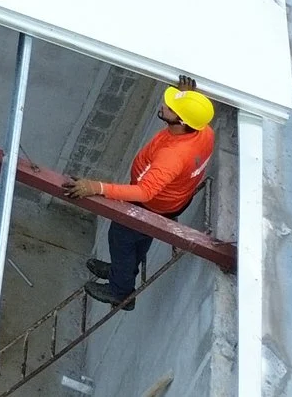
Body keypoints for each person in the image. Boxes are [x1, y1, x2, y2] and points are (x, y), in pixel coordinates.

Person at [64, 76, 216, 309]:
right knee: (139, 238)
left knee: (122, 237)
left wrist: (96, 188)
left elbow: (144, 192)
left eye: (171, 106)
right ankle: (121, 271)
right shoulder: (203, 131)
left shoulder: (173, 156)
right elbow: (196, 117)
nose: (164, 105)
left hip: (153, 204)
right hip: (173, 200)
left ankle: (120, 291)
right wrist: (185, 97)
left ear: (182, 121)